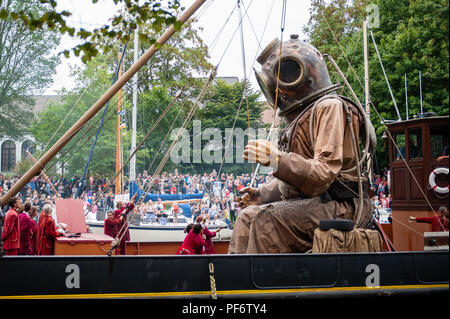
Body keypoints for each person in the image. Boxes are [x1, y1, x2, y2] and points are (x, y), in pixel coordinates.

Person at [228, 36, 378, 254]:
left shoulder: (329, 107)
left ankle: (264, 286)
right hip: (318, 204)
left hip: (342, 207)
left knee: (264, 221)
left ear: (304, 74)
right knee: (246, 217)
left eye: (287, 74)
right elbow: (299, 179)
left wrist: (276, 158)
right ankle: (235, 283)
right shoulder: (301, 118)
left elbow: (322, 176)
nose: (279, 89)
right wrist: (263, 194)